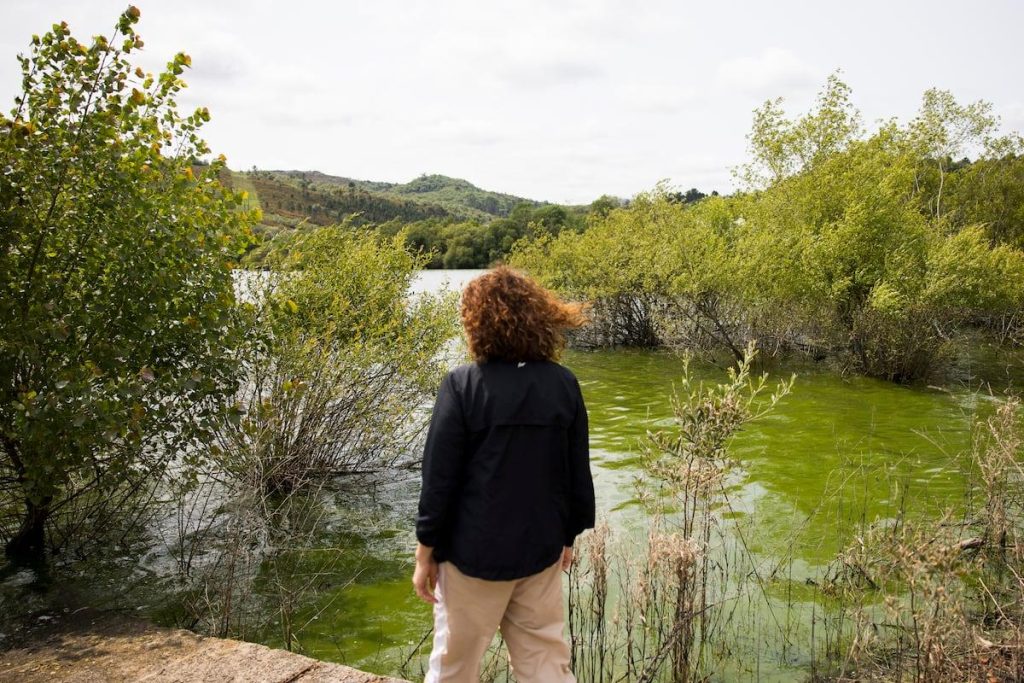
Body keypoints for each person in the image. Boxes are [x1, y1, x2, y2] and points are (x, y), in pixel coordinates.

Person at [413, 265, 595, 683]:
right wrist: (567, 537)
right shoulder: (563, 384)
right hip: (540, 550)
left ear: (477, 324)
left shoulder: (463, 385)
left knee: (454, 668)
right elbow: (575, 475)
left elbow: (438, 481)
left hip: (472, 556)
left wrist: (425, 553)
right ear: (537, 317)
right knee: (546, 665)